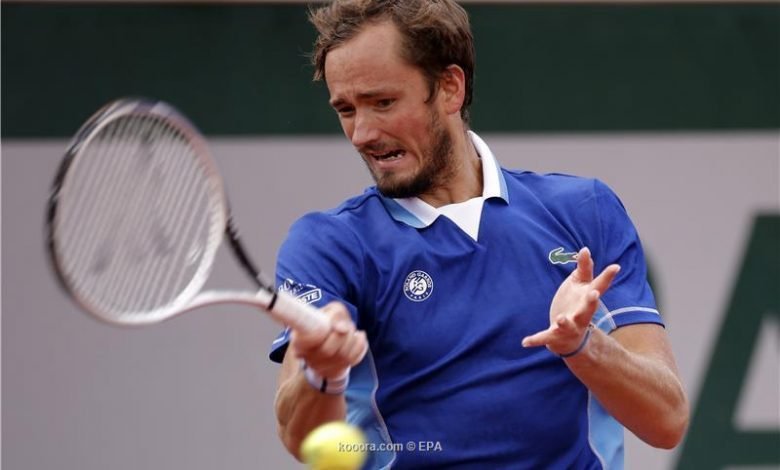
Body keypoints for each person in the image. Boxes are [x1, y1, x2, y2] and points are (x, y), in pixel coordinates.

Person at [270, 1, 689, 468]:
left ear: (450, 87)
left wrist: (583, 345)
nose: (362, 133)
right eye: (346, 109)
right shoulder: (327, 245)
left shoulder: (584, 210)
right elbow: (298, 436)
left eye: (383, 102)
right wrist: (321, 372)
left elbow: (667, 419)